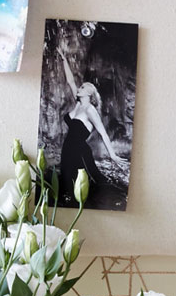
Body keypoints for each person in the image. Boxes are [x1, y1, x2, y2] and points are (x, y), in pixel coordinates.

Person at [54, 46, 128, 204]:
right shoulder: (78, 103)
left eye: (82, 88)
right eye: (80, 87)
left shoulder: (90, 110)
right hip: (68, 148)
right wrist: (63, 58)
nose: (78, 88)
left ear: (89, 93)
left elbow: (103, 133)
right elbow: (70, 81)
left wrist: (113, 155)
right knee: (66, 179)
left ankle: (116, 199)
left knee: (92, 181)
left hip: (80, 151)